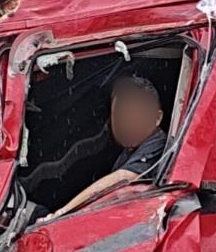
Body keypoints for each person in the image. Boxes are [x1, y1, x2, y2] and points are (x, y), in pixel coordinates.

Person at [40, 73, 168, 218]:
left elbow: (122, 179)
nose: (127, 124)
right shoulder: (129, 151)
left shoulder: (159, 145)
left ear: (157, 118)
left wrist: (62, 214)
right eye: (120, 116)